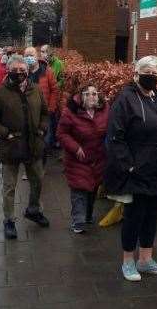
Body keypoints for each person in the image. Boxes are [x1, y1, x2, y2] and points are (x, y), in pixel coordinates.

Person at [105, 55, 157, 282]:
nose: (151, 75)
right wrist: (129, 166)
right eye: (146, 71)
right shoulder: (126, 99)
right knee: (134, 217)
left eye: (155, 71)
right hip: (137, 172)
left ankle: (146, 260)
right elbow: (115, 137)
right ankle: (128, 262)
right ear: (136, 74)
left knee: (150, 216)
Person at [0, 54, 51, 239]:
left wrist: (42, 130)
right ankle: (9, 221)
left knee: (37, 181)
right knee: (9, 187)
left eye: (23, 70)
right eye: (15, 70)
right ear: (8, 71)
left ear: (28, 72)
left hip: (34, 146)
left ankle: (34, 210)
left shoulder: (35, 90)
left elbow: (45, 113)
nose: (19, 73)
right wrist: (5, 133)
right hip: (11, 147)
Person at [56, 84, 109, 233]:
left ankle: (87, 215)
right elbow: (61, 134)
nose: (91, 97)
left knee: (92, 188)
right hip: (77, 159)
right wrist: (75, 147)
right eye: (87, 94)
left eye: (94, 94)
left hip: (97, 158)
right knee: (79, 190)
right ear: (80, 96)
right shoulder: (70, 112)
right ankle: (78, 222)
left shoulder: (105, 110)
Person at [30, 47, 60, 156]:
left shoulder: (47, 70)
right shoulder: (22, 71)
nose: (29, 57)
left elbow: (54, 89)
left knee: (46, 136)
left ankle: (43, 155)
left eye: (31, 55)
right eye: (27, 55)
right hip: (28, 111)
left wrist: (51, 107)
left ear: (36, 56)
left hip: (45, 110)